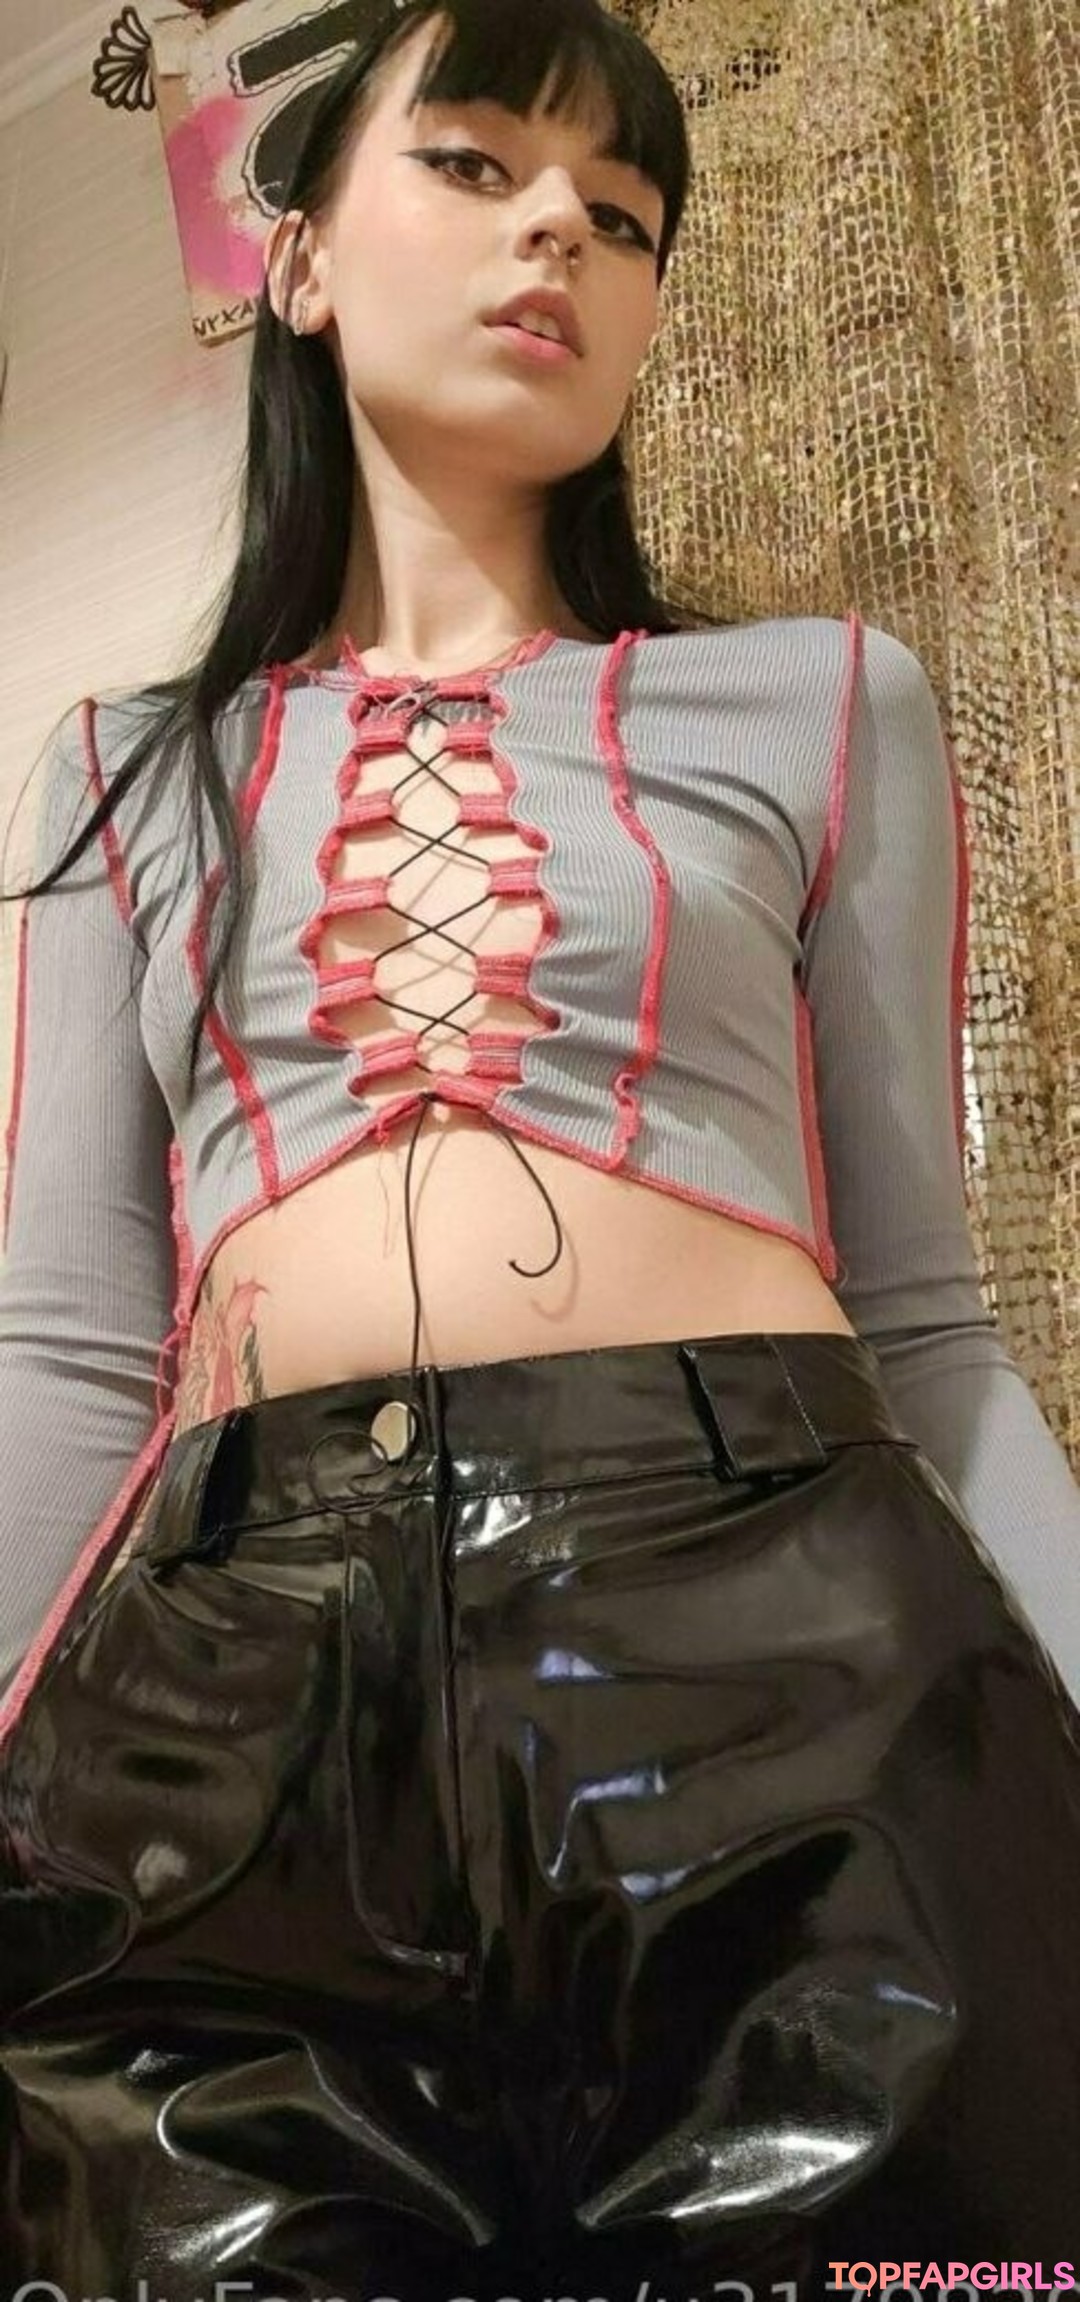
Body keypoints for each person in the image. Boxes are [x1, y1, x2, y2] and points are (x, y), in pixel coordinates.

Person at [1, 0, 1079, 2290]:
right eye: (479, 164)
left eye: (622, 213)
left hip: (781, 1624)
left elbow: (928, 1316)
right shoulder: (117, 769)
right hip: (224, 1693)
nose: (559, 236)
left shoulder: (825, 701)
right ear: (298, 259)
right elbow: (71, 1350)